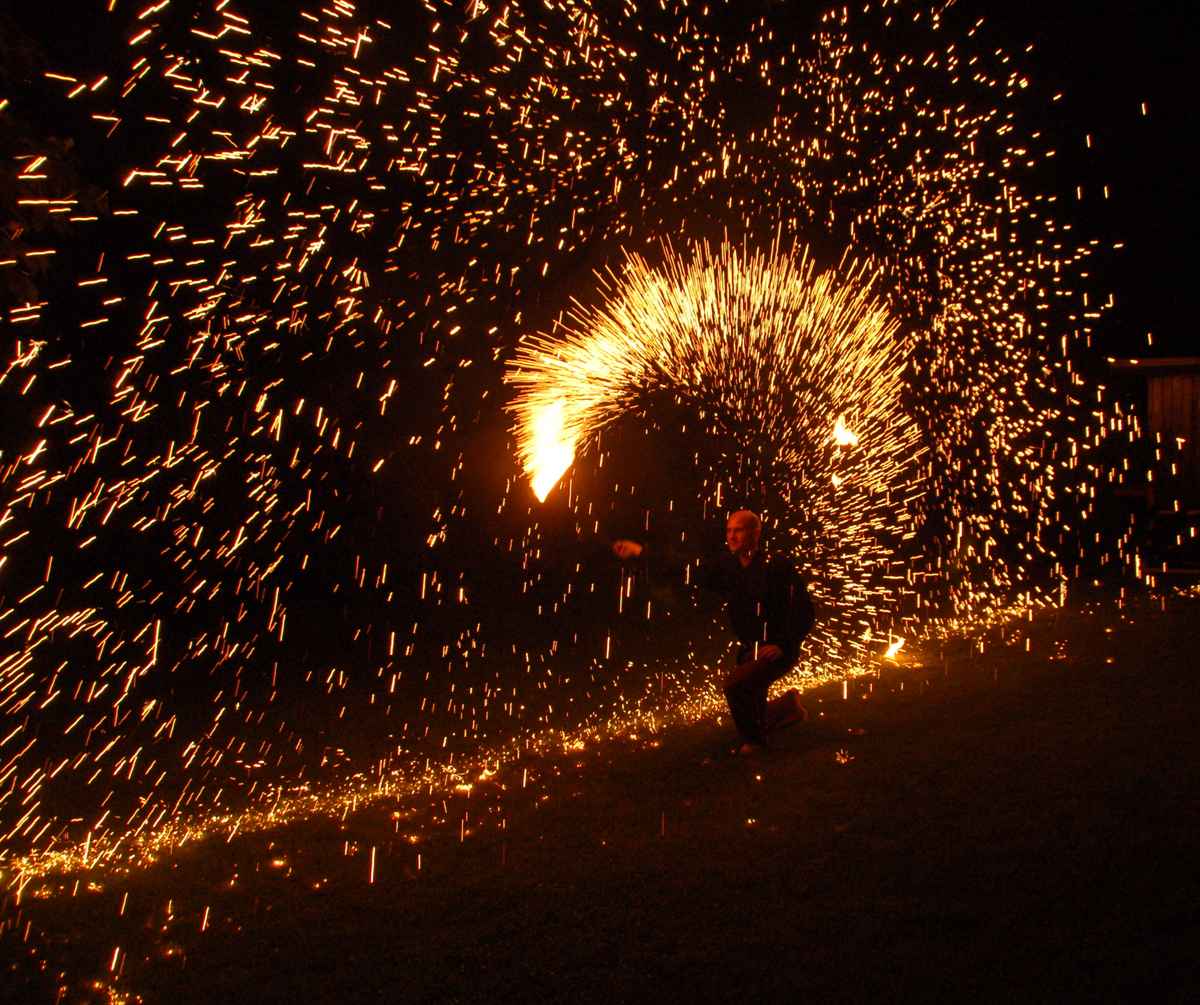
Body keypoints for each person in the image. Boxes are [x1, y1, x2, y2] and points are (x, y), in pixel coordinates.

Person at [613, 509, 815, 755]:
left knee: (736, 686)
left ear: (755, 534)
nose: (732, 536)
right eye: (729, 531)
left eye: (738, 530)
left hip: (777, 649)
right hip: (750, 650)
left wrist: (783, 644)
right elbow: (686, 568)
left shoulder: (776, 566)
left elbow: (804, 610)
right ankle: (788, 707)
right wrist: (640, 552)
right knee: (752, 702)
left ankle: (754, 743)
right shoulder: (728, 568)